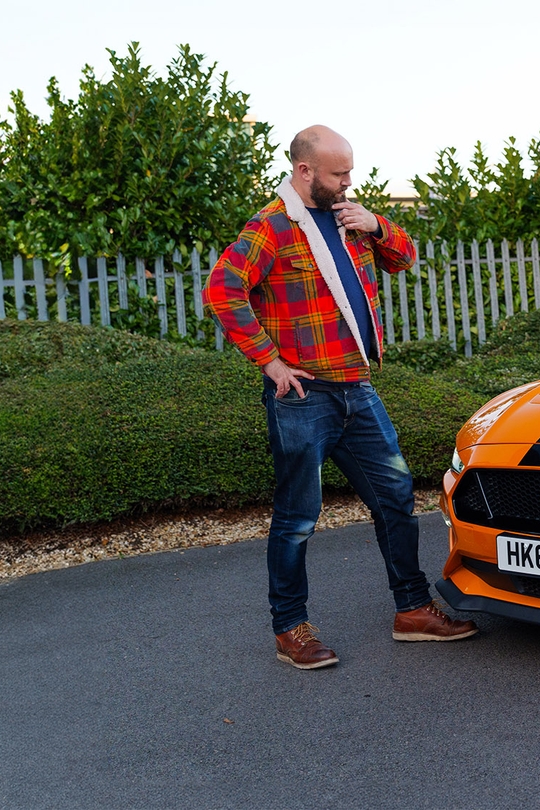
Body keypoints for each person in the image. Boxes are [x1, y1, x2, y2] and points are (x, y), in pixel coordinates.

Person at [204, 124, 477, 670]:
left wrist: (378, 225)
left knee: (396, 498)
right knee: (298, 516)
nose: (349, 182)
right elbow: (222, 288)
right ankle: (290, 629)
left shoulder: (351, 219)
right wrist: (269, 360)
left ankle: (413, 610)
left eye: (349, 171)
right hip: (303, 395)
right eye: (339, 173)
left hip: (357, 388)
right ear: (305, 172)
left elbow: (404, 258)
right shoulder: (271, 227)